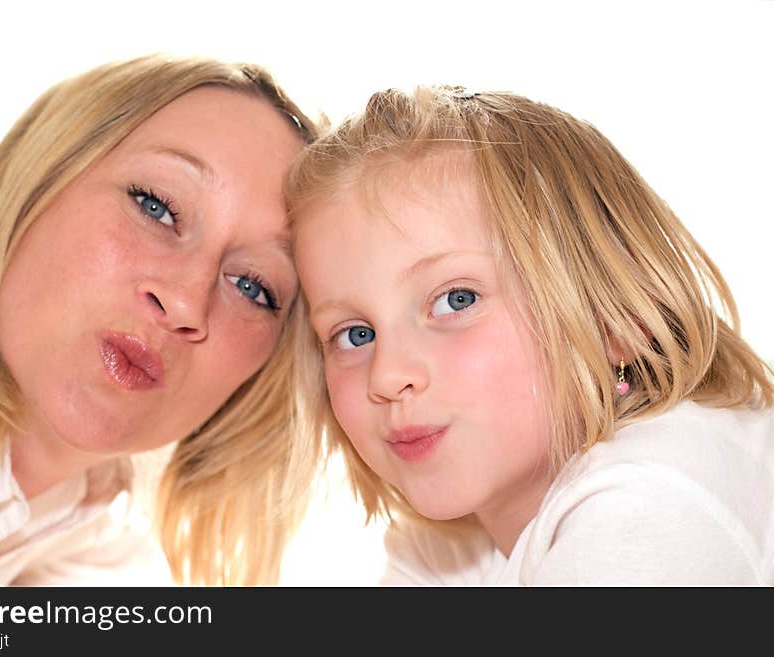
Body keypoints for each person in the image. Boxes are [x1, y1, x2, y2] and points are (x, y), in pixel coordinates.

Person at [286, 86, 774, 585]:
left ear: (616, 318)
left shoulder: (654, 497)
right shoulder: (448, 544)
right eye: (355, 334)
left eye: (457, 300)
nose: (388, 375)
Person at [0, 54, 320, 586]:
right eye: (157, 206)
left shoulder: (98, 528)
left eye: (253, 287)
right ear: (42, 171)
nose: (186, 303)